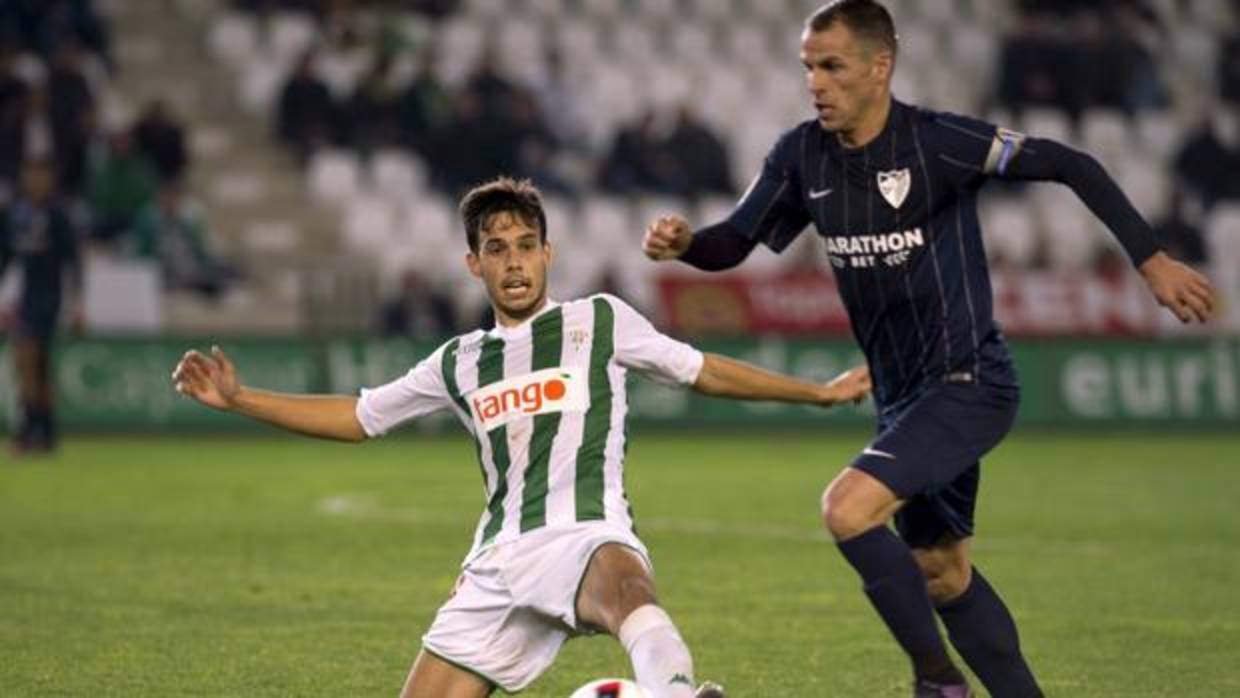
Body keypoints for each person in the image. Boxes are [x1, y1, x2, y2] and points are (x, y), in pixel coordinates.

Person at [640, 2, 1217, 697]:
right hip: (903, 398)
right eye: (808, 68)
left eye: (832, 66)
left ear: (880, 67)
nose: (816, 83)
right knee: (942, 572)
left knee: (846, 508)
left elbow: (1069, 160)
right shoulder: (801, 157)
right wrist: (688, 246)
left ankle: (937, 682)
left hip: (970, 380)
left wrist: (1150, 258)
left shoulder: (938, 143)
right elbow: (733, 242)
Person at [172, 176, 872, 698]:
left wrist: (815, 393)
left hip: (585, 531)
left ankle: (677, 693)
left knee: (629, 591)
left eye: (526, 247)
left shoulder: (599, 320)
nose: (513, 262)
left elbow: (703, 371)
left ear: (548, 254)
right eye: (496, 249)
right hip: (497, 562)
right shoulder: (459, 361)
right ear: (473, 264)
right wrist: (239, 399)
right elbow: (359, 417)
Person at [0, 158, 81, 455]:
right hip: (25, 296)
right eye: (30, 175)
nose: (35, 182)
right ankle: (42, 431)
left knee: (34, 362)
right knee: (29, 363)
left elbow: (73, 260)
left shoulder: (58, 215)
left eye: (41, 175)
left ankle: (32, 431)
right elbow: (6, 256)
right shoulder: (15, 214)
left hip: (49, 297)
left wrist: (77, 303)